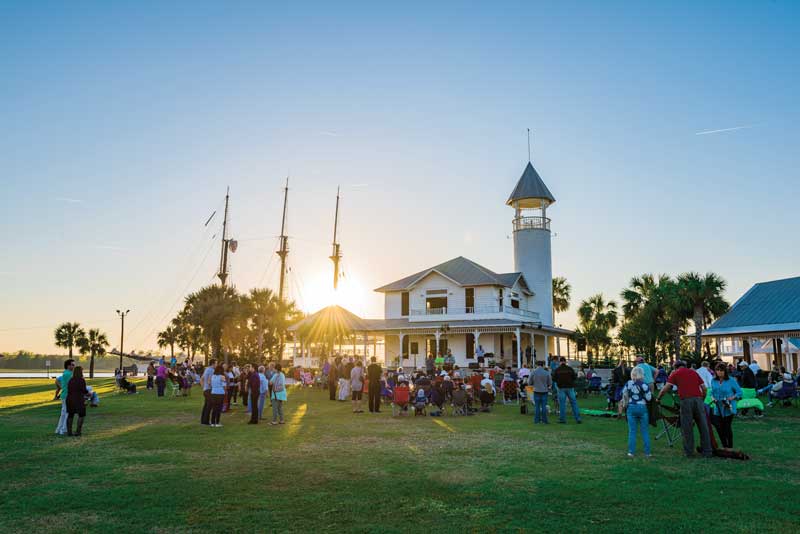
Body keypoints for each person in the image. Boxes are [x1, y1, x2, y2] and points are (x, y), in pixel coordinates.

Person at [657, 360, 712, 458]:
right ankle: (707, 451)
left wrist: (658, 398)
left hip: (686, 401)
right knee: (703, 426)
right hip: (698, 400)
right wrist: (702, 399)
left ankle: (689, 452)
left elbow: (666, 388)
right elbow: (704, 388)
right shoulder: (694, 372)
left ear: (675, 367)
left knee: (687, 427)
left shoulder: (675, 373)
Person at [619, 367, 652, 457]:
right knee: (644, 431)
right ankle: (647, 453)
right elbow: (649, 398)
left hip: (631, 407)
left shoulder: (628, 383)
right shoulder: (644, 385)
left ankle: (631, 452)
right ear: (642, 374)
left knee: (632, 431)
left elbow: (623, 394)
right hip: (642, 407)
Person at [709, 364, 743, 449]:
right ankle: (724, 446)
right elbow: (712, 392)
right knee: (719, 427)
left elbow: (739, 392)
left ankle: (730, 446)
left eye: (721, 370)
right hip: (718, 406)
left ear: (725, 371)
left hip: (728, 406)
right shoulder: (713, 380)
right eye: (718, 370)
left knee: (727, 427)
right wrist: (713, 398)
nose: (719, 372)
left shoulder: (731, 380)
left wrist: (732, 397)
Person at [553, 357, 581, 424]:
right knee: (574, 403)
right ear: (565, 362)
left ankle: (562, 419)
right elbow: (574, 377)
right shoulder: (570, 369)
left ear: (560, 362)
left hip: (561, 388)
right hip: (570, 388)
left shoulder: (557, 370)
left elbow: (554, 379)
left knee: (562, 404)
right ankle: (578, 418)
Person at [66, 365, 89, 437]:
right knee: (81, 415)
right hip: (78, 399)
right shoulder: (81, 380)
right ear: (80, 372)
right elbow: (84, 390)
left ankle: (69, 432)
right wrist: (89, 393)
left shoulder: (71, 380)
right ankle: (78, 432)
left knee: (70, 415)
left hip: (69, 399)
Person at [55, 359, 75, 436]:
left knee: (63, 413)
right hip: (67, 395)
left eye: (74, 365)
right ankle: (63, 430)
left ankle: (59, 429)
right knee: (67, 413)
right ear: (68, 365)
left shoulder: (66, 373)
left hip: (64, 395)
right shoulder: (69, 374)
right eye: (72, 365)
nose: (74, 366)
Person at [200, 359, 217, 426]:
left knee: (206, 405)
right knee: (209, 406)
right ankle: (206, 421)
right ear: (213, 363)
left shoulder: (206, 369)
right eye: (216, 363)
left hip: (206, 390)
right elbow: (210, 381)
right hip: (209, 390)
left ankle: (203, 421)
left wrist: (203, 387)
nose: (216, 365)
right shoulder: (212, 370)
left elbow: (202, 379)